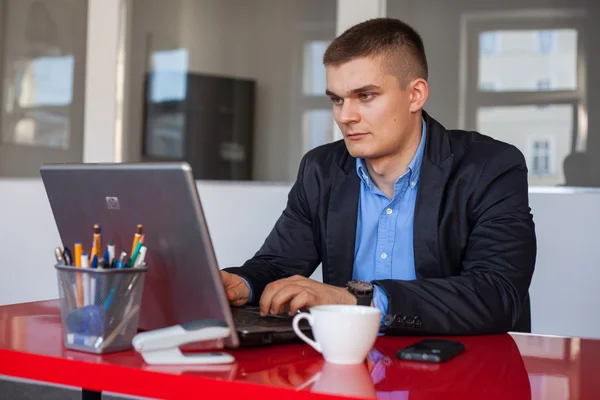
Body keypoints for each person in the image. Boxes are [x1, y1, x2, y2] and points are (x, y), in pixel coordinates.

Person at [221, 17, 536, 335]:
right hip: (351, 363)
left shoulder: (490, 167)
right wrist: (240, 285)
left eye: (366, 96)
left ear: (415, 94)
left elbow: (496, 294)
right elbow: (278, 266)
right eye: (337, 99)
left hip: (461, 369)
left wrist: (358, 302)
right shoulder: (321, 170)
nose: (346, 116)